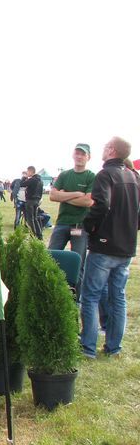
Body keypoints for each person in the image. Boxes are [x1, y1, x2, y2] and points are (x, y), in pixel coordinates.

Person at [80, 136, 139, 359]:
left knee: (91, 296)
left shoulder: (106, 174)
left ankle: (88, 346)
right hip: (125, 247)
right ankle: (113, 347)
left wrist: (90, 226)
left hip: (105, 246)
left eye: (105, 147)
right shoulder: (133, 176)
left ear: (112, 151)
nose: (103, 150)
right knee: (118, 297)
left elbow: (101, 204)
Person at [47, 143, 95, 296]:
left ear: (88, 157)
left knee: (78, 262)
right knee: (50, 257)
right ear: (73, 155)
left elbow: (88, 202)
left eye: (83, 154)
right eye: (78, 153)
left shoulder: (91, 176)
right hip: (62, 223)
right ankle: (49, 291)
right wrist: (77, 194)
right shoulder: (65, 175)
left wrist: (64, 196)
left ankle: (75, 297)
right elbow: (52, 196)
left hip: (79, 226)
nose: (80, 156)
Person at [20, 166, 44, 238]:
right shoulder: (40, 180)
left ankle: (34, 235)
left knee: (30, 219)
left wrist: (24, 177)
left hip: (30, 200)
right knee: (35, 218)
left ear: (30, 171)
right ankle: (39, 235)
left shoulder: (32, 180)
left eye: (27, 172)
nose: (27, 173)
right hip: (37, 200)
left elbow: (22, 184)